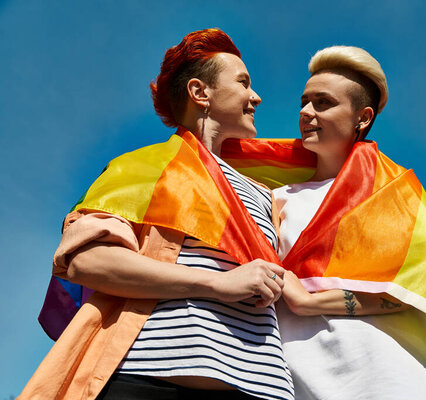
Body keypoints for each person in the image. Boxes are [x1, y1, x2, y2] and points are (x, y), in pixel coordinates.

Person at [21, 29, 294, 400]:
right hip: (149, 380)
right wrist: (215, 283)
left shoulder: (266, 194)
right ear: (201, 93)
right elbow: (89, 262)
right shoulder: (145, 168)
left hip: (262, 388)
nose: (255, 96)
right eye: (243, 83)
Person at [272, 46, 426, 399]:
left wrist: (310, 302)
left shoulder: (394, 190)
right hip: (304, 378)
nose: (305, 112)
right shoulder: (278, 197)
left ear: (363, 117)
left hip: (395, 375)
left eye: (323, 103)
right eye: (305, 101)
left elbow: (423, 286)